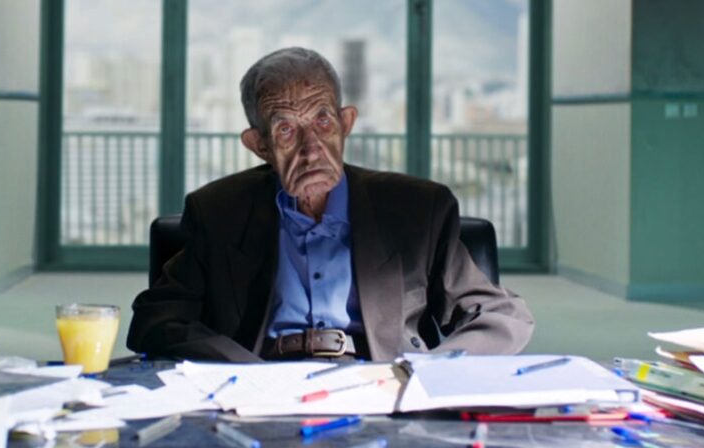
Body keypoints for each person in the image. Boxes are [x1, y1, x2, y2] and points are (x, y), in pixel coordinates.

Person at [127, 47, 534, 362]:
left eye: (323, 121)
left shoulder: (418, 209)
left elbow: (501, 315)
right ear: (260, 145)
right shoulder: (218, 211)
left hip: (381, 384)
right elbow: (157, 320)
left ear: (346, 123)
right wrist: (240, 370)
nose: (311, 148)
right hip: (262, 387)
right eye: (286, 129)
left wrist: (429, 372)